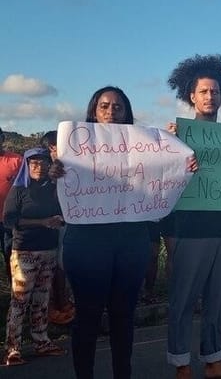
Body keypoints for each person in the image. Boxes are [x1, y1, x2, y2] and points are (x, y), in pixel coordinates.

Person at [49, 86, 153, 379]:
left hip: (130, 242)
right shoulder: (73, 152)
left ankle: (123, 374)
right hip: (87, 244)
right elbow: (64, 198)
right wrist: (55, 175)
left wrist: (182, 165)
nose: (111, 112)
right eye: (104, 106)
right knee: (88, 317)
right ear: (94, 111)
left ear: (127, 113)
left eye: (118, 107)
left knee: (123, 318)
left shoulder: (144, 147)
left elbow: (164, 174)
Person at [165, 54, 221, 379]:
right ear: (191, 95)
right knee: (183, 301)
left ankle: (215, 361)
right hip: (189, 228)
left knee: (216, 301)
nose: (209, 97)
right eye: (203, 91)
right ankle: (181, 365)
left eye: (215, 91)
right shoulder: (176, 136)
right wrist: (174, 154)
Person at [3, 148, 66, 366]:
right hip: (25, 251)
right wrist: (42, 222)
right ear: (27, 166)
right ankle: (12, 348)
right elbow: (9, 220)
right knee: (20, 300)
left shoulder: (53, 189)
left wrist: (57, 220)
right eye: (34, 164)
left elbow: (65, 211)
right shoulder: (18, 190)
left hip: (48, 250)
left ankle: (41, 341)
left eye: (44, 163)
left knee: (41, 299)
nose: (39, 167)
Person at [40, 131, 75, 325]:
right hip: (53, 224)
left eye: (58, 145)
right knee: (56, 266)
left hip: (74, 221)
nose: (55, 150)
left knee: (67, 264)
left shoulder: (74, 163)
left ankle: (67, 302)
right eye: (52, 147)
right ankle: (58, 304)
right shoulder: (42, 168)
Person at [0, 127, 22, 281]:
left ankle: (16, 295)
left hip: (9, 221)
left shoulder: (17, 161)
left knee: (12, 259)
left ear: (2, 138)